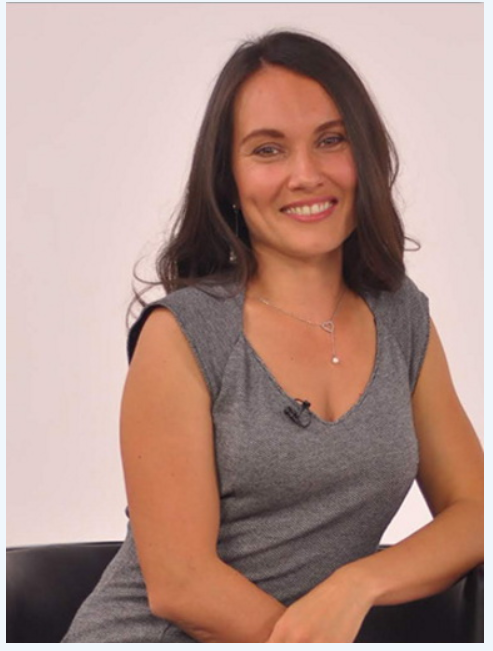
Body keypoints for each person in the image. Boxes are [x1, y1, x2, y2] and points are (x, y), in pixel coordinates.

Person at [62, 30, 483, 643]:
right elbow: (180, 584)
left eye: (331, 140)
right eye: (268, 150)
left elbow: (476, 511)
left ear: (364, 154)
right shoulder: (183, 334)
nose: (305, 175)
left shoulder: (401, 317)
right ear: (228, 179)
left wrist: (358, 584)